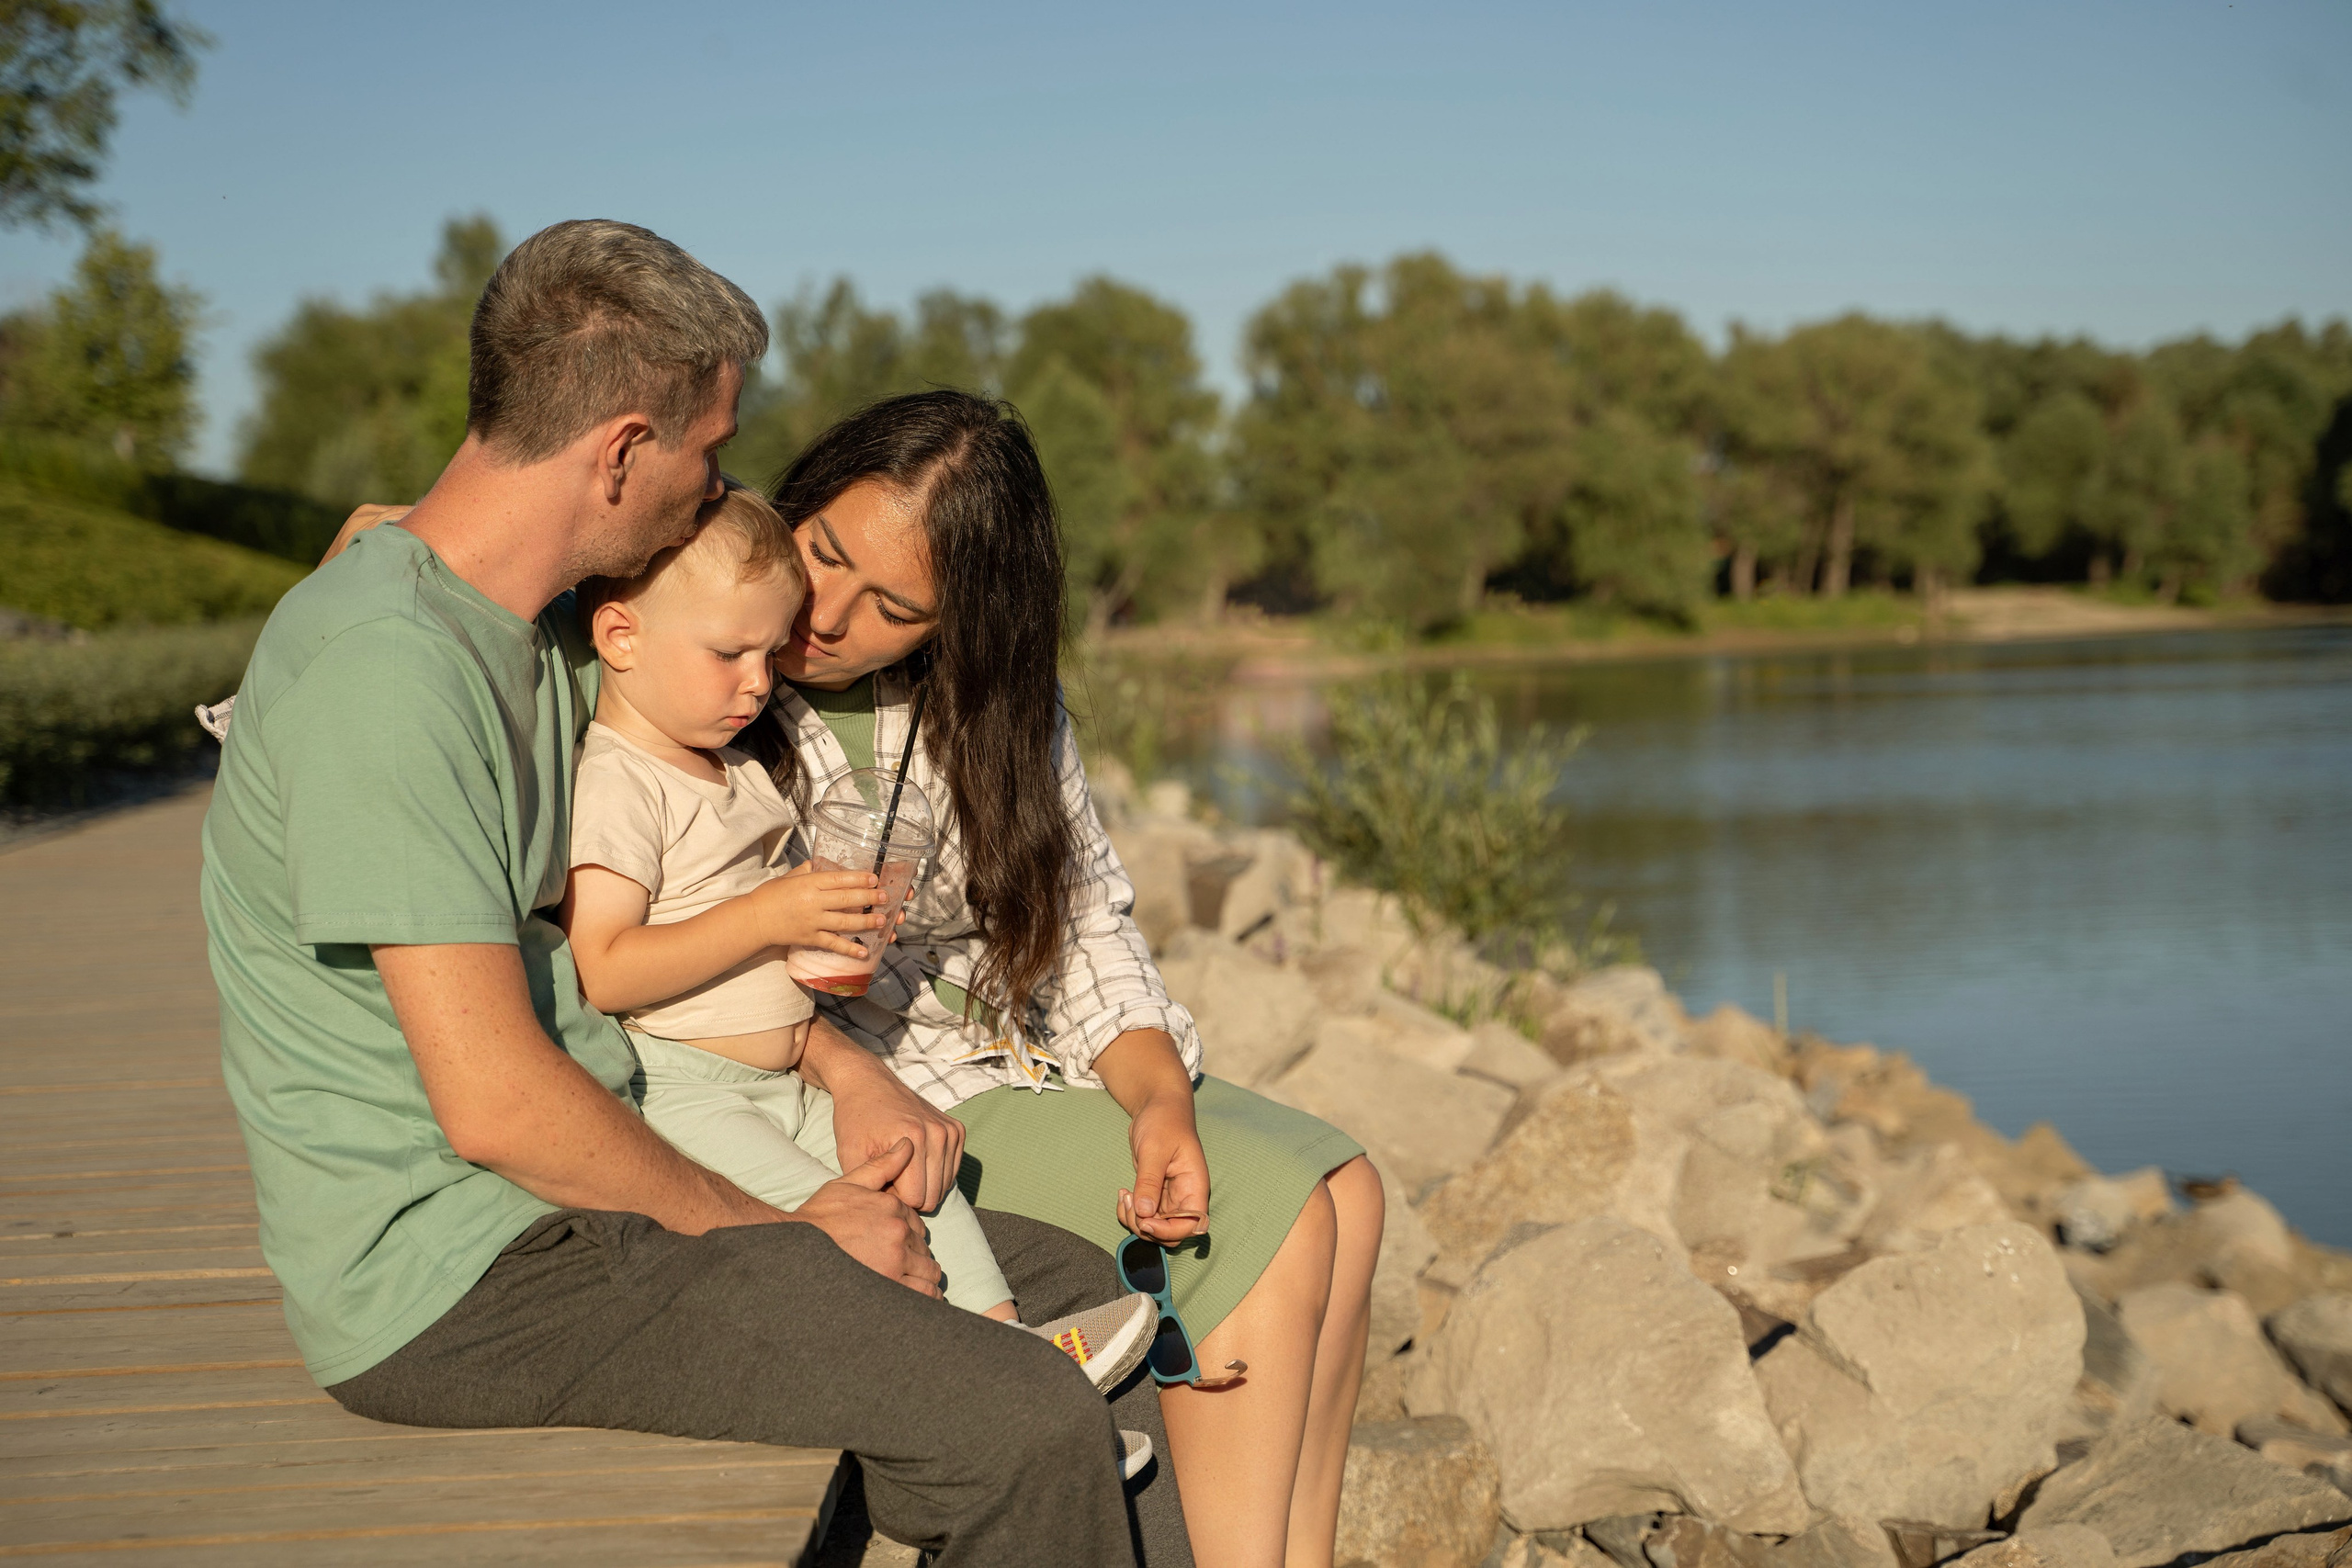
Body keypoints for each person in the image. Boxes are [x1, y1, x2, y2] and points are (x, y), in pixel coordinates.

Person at [199, 220, 1144, 1568]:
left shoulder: (536, 628)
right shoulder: (388, 677)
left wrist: (837, 1066)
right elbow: (496, 1102)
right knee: (1022, 1413)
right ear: (624, 448)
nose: (724, 488)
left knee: (1082, 1304)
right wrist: (797, 1237)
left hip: (601, 1178)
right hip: (469, 1271)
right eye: (712, 452)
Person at [744, 389, 1386, 1568]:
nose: (827, 616)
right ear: (794, 501)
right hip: (864, 1096)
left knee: (1345, 1183)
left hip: (1013, 1062)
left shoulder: (995, 711)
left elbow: (1088, 934)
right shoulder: (705, 676)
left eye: (894, 608)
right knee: (1268, 1213)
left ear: (962, 622)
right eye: (822, 552)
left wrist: (1161, 1100)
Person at [557, 479, 1159, 1416]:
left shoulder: (729, 766)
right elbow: (604, 967)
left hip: (785, 1073)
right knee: (860, 1232)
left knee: (924, 1188)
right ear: (621, 640)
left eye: (767, 649)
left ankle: (1021, 1375)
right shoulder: (621, 785)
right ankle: (1000, 1406)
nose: (759, 681)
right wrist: (770, 918)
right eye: (730, 653)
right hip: (686, 1085)